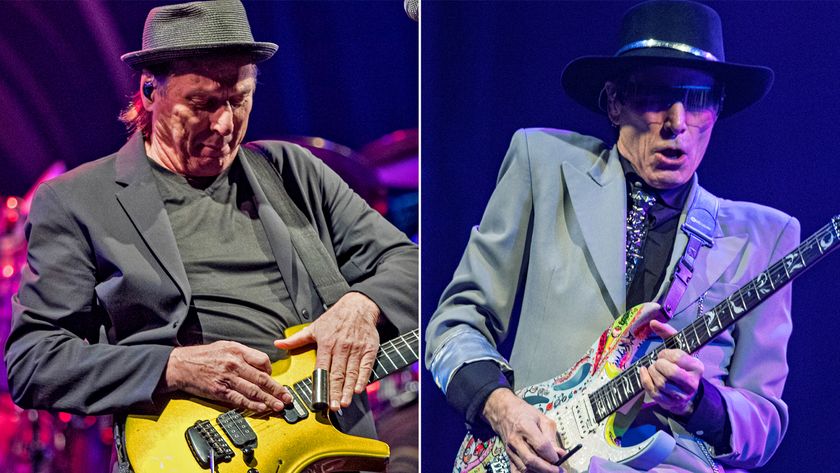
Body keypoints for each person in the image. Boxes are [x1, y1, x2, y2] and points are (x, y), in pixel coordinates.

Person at [3, 0, 417, 470]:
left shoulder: (293, 172)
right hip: (198, 452)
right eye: (201, 103)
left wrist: (363, 305)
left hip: (332, 449)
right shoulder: (78, 200)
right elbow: (34, 360)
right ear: (148, 91)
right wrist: (171, 368)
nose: (224, 124)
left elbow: (412, 266)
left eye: (239, 99)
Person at [425, 1, 797, 472]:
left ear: (718, 109)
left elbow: (763, 423)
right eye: (656, 96)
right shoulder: (542, 163)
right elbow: (454, 323)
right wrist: (502, 408)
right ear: (614, 101)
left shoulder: (766, 235)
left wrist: (699, 402)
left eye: (698, 99)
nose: (677, 122)